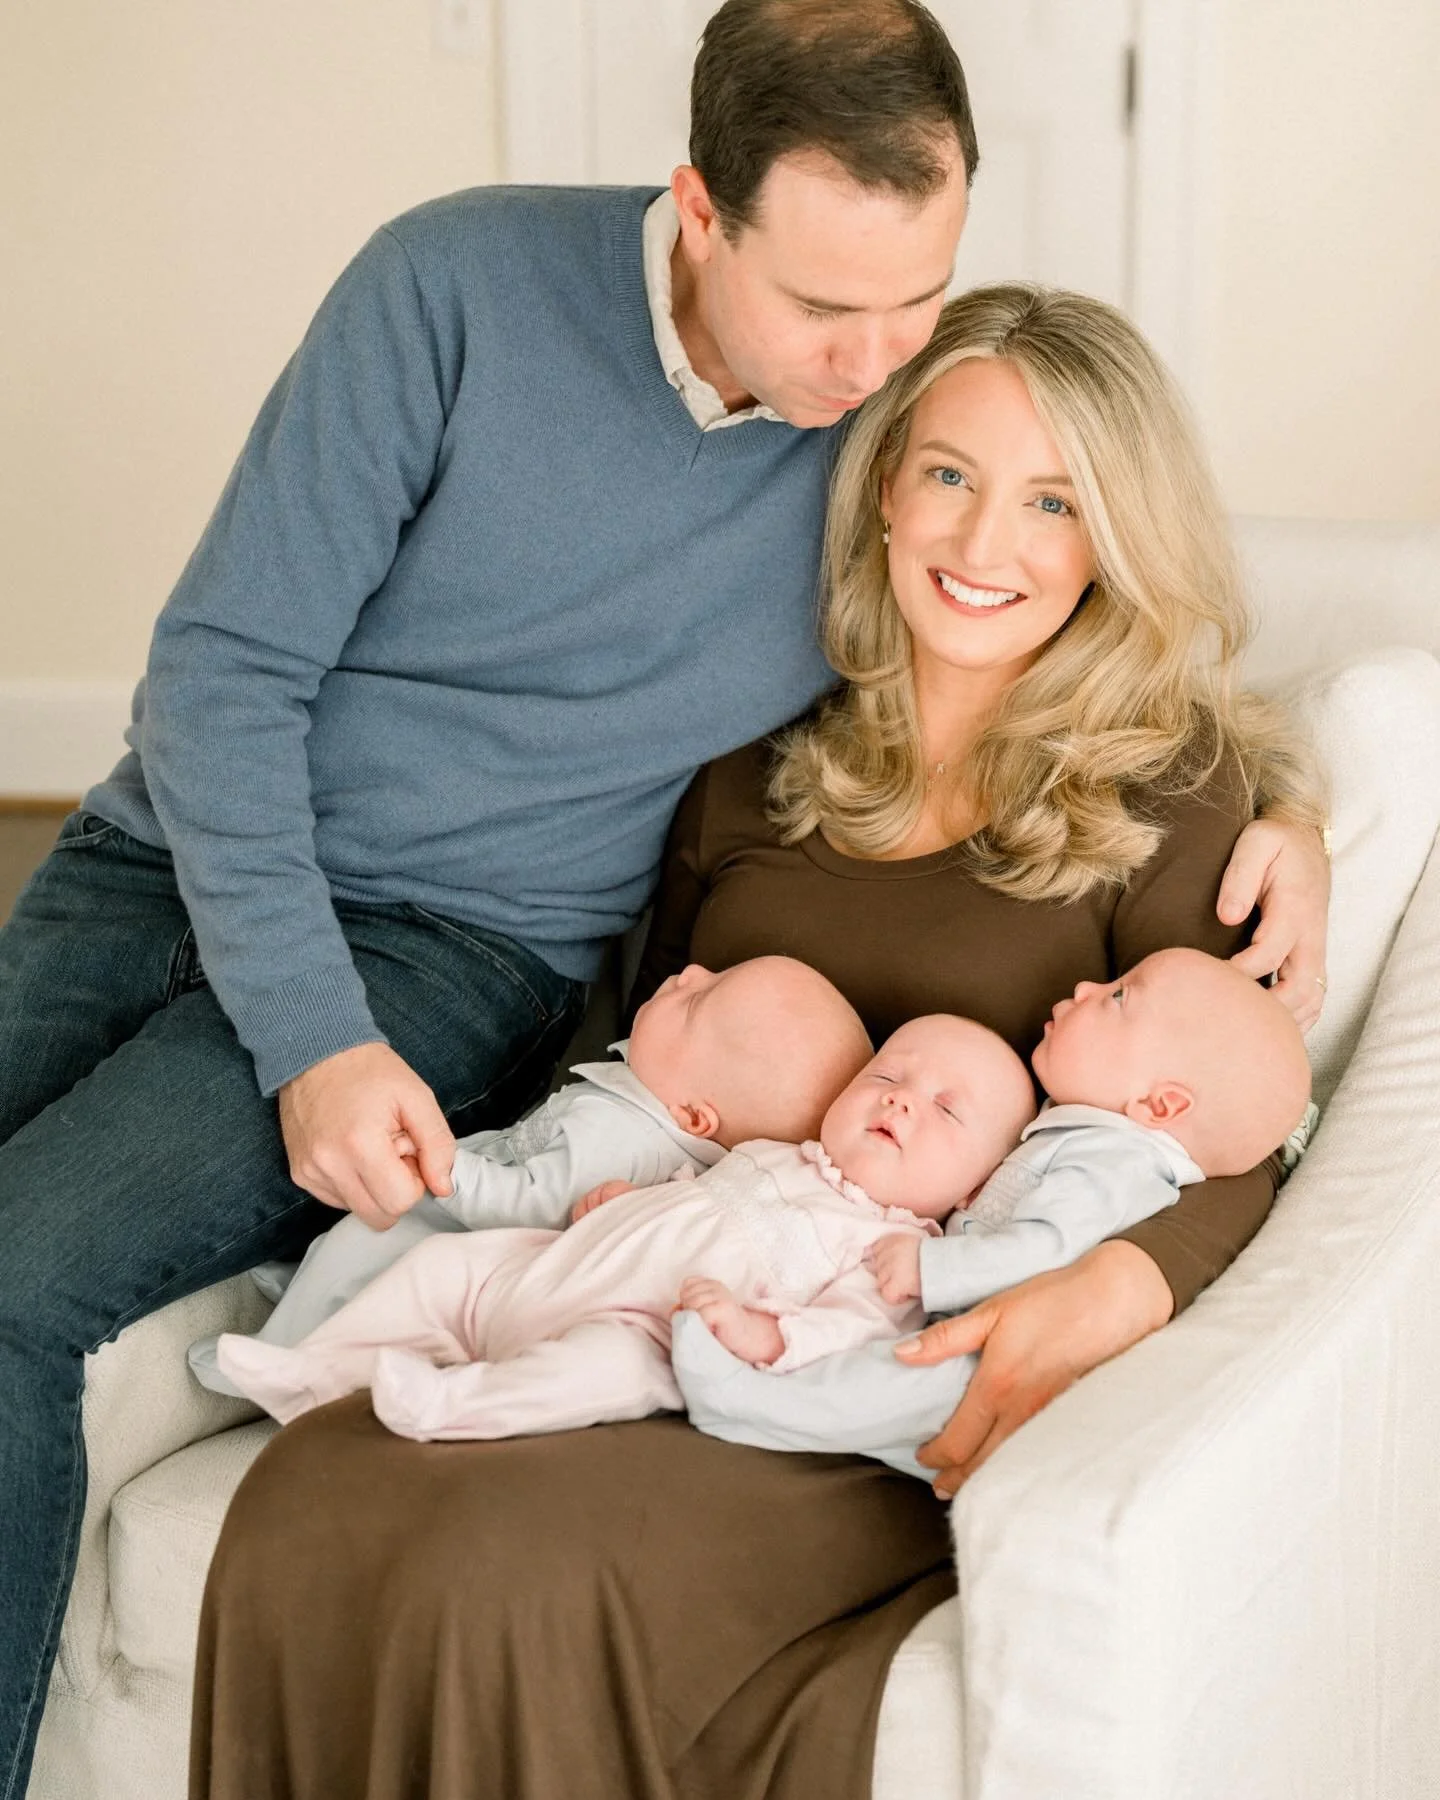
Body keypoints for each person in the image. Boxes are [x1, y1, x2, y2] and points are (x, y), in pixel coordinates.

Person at [0, 4, 1325, 1795]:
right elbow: (229, 672)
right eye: (831, 311)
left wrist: (1293, 816)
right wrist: (358, 1066)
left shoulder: (897, 448)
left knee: (21, 1278)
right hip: (173, 850)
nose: (880, 365)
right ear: (700, 212)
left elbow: (1213, 1050)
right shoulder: (469, 301)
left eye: (920, 299)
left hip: (478, 980)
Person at [209, 1012, 1032, 1434]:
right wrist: (618, 1206)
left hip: (643, 1327)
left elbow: (852, 1331)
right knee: (439, 1270)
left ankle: (453, 1406)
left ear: (975, 1189)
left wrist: (760, 1334)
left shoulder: (897, 1252)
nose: (901, 1099)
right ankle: (313, 1370)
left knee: (602, 1372)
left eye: (944, 1109)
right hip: (553, 1268)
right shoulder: (779, 1152)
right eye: (888, 1075)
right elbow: (688, 1191)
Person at [682, 948, 1313, 1479]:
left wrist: (934, 1267)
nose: (1087, 988)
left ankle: (750, 1403)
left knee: (898, 1377)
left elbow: (1047, 1248)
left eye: (1118, 996)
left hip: (997, 1348)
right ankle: (781, 1356)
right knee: (874, 1351)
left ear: (1161, 1105)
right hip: (967, 1317)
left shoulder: (1113, 1163)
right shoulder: (1089, 1138)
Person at [188, 954, 873, 1388]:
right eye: (710, 973)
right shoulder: (655, 1118)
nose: (687, 973)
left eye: (698, 1000)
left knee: (364, 1246)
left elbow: (528, 1202)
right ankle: (308, 1296)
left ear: (694, 1117)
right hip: (482, 1242)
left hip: (467, 1235)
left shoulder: (624, 1139)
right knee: (347, 1254)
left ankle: (279, 1360)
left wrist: (443, 1167)